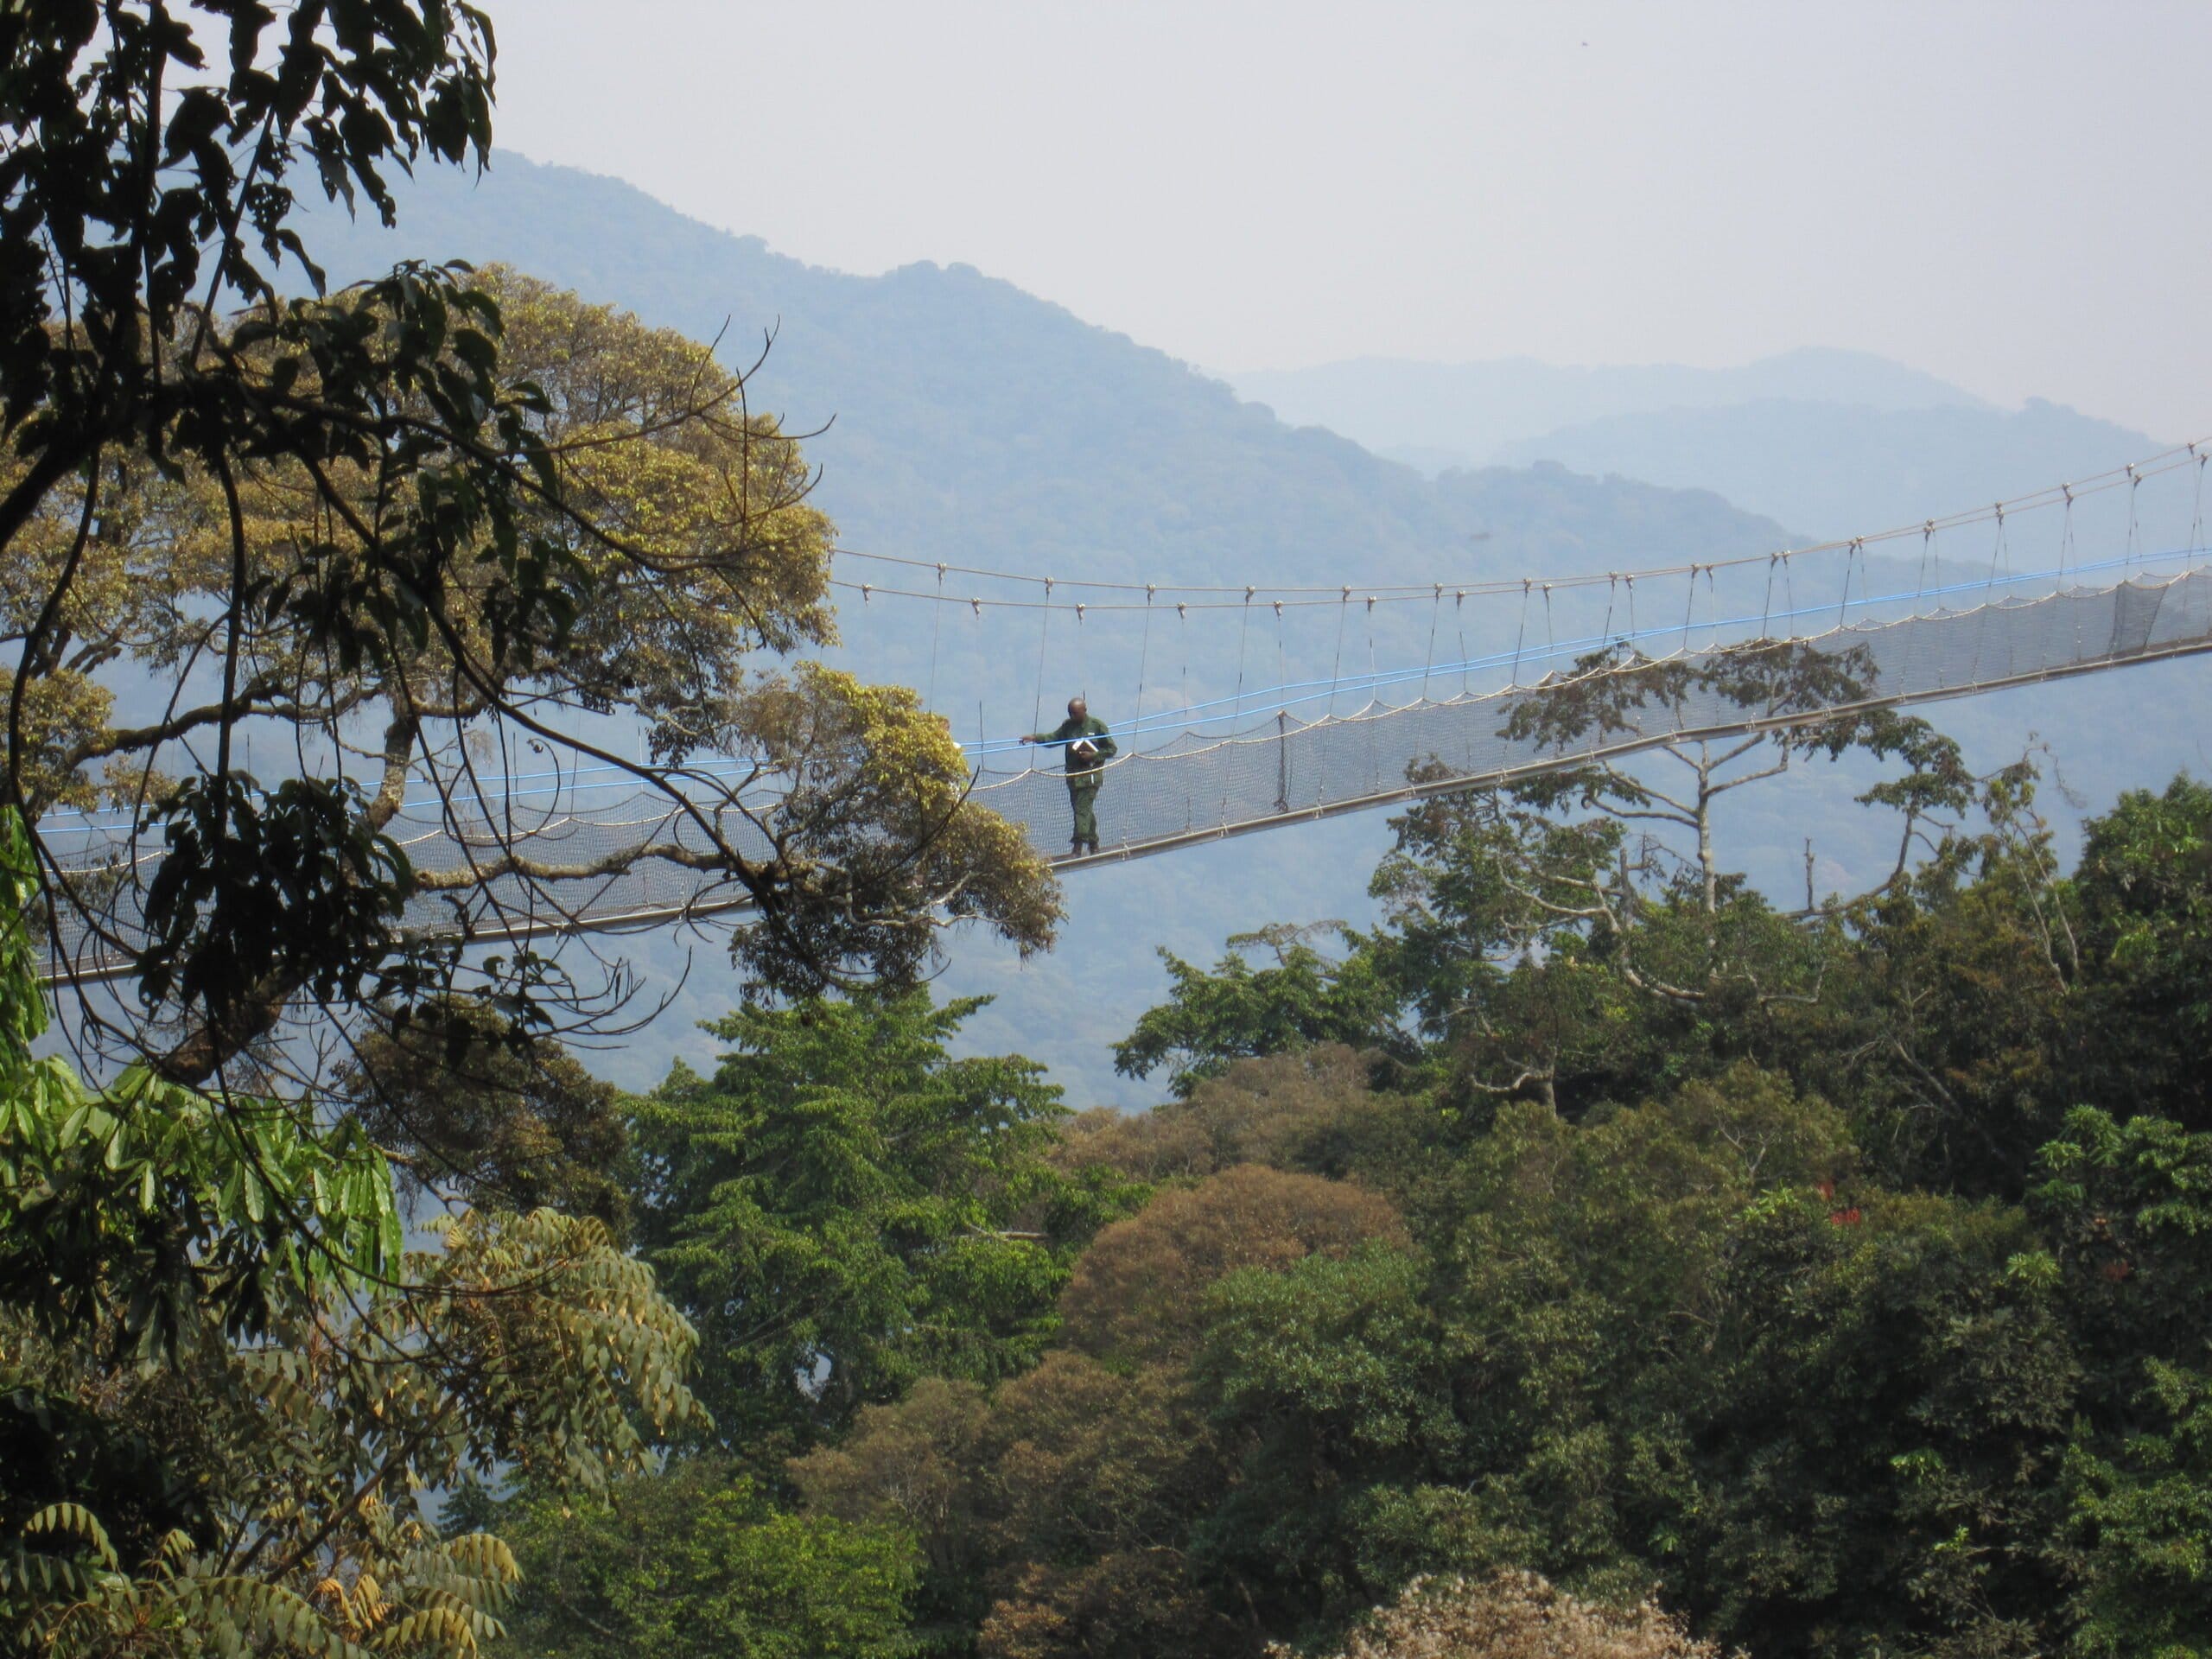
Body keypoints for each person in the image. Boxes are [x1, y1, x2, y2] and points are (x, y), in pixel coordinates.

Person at [1023, 696, 1118, 855]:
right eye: (1070, 713)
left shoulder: (1097, 726)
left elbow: (1111, 749)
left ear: (1084, 710)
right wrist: (1035, 738)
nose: (1073, 716)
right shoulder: (1068, 727)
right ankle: (1094, 843)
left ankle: (1078, 846)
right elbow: (1053, 739)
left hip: (1091, 775)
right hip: (1074, 777)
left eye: (1076, 713)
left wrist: (1092, 756)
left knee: (1081, 810)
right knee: (1083, 810)